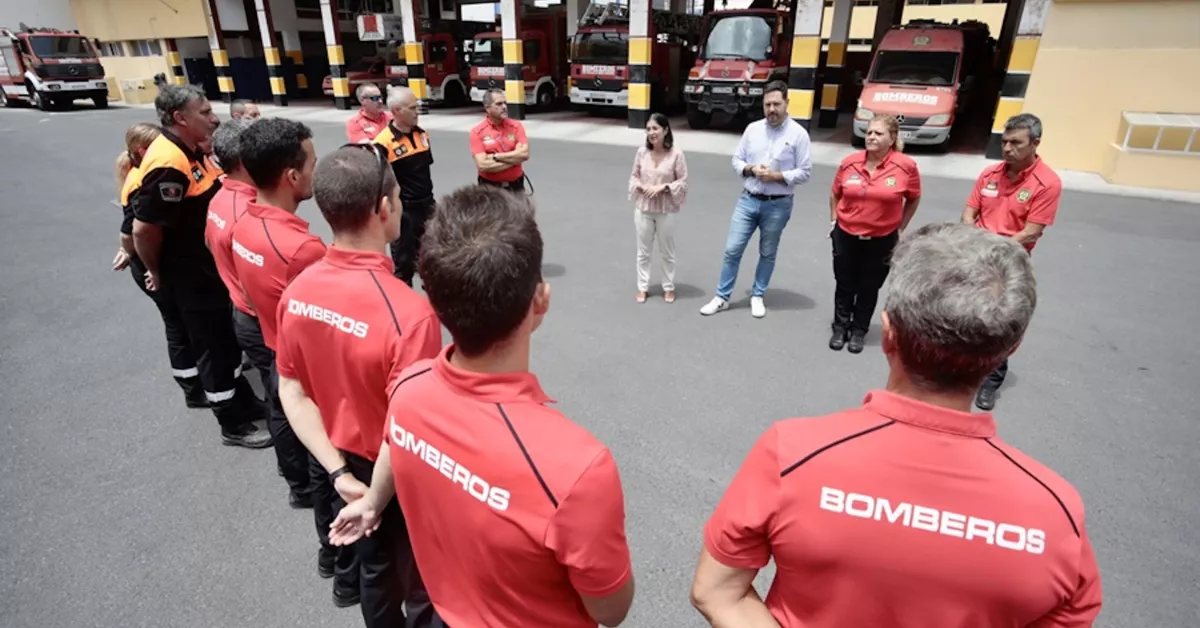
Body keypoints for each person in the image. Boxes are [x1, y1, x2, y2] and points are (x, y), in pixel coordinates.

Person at [691, 222, 1102, 628]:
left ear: (888, 334)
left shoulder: (793, 453)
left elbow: (717, 592)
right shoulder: (1057, 510)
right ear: (1009, 348)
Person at [330, 186, 636, 628]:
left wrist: (374, 501)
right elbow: (611, 609)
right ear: (541, 300)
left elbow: (397, 443)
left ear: (432, 302)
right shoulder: (577, 468)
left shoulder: (408, 391)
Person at [277, 144, 443, 621]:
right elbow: (404, 427)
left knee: (375, 574)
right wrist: (373, 500)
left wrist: (338, 475)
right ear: (384, 207)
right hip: (395, 476)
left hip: (344, 466)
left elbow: (292, 390)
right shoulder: (409, 315)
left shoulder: (299, 291)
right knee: (424, 582)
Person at [132, 84, 270, 448]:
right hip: (187, 275)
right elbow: (144, 228)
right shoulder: (169, 162)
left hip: (204, 270)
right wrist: (157, 271)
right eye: (205, 112)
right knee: (212, 346)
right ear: (180, 118)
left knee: (225, 341)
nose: (213, 118)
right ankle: (232, 423)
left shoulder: (190, 150)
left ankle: (242, 400)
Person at [230, 118, 324, 508]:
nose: (314, 172)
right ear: (291, 175)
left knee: (280, 411)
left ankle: (297, 485)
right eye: (312, 165)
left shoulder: (243, 223)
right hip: (301, 362)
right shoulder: (302, 249)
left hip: (270, 342)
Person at [962, 113, 1062, 411]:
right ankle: (965, 370)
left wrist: (994, 246)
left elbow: (1032, 230)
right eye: (1004, 142)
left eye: (1016, 143)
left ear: (1035, 143)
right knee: (968, 315)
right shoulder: (990, 175)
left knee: (1000, 321)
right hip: (976, 257)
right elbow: (969, 212)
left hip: (1010, 262)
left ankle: (991, 381)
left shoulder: (1048, 183)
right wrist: (971, 239)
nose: (1007, 149)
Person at [113, 122, 207, 409]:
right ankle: (193, 389)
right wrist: (127, 252)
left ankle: (196, 382)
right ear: (143, 151)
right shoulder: (143, 180)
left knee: (181, 325)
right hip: (154, 268)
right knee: (179, 327)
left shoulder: (144, 172)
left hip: (157, 263)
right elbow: (131, 231)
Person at [699, 80, 812, 319]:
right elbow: (736, 160)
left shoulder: (799, 134)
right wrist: (750, 169)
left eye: (776, 104)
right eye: (767, 104)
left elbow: (805, 171)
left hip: (778, 204)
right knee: (732, 249)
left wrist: (777, 176)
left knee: (768, 252)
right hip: (748, 200)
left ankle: (757, 295)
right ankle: (722, 297)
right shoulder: (752, 129)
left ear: (787, 103)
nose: (771, 109)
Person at [828, 114, 921, 354]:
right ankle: (840, 327)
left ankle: (859, 330)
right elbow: (835, 193)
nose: (871, 137)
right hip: (846, 234)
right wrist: (834, 220)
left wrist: (900, 226)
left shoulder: (905, 166)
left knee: (869, 287)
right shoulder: (850, 162)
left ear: (892, 138)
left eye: (878, 133)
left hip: (881, 239)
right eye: (869, 132)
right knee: (844, 283)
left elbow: (913, 198)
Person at [373, 86, 436, 286]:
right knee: (404, 264)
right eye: (412, 108)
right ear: (397, 111)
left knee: (433, 259)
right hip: (403, 212)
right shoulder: (383, 143)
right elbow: (379, 182)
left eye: (417, 106)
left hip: (428, 206)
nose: (417, 111)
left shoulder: (423, 135)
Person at [629, 112, 688, 304]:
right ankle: (642, 286)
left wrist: (664, 187)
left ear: (665, 130)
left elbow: (683, 181)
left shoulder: (676, 154)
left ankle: (668, 287)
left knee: (666, 251)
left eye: (655, 128)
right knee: (643, 251)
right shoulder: (641, 152)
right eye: (648, 129)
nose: (652, 133)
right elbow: (634, 177)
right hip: (643, 208)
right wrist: (641, 187)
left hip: (666, 209)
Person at [470, 88, 530, 194]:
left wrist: (494, 157)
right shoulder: (477, 132)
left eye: (505, 103)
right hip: (489, 188)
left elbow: (524, 154)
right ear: (487, 108)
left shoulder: (516, 126)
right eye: (499, 104)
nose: (504, 107)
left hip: (515, 187)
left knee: (519, 211)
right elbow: (483, 165)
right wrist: (514, 160)